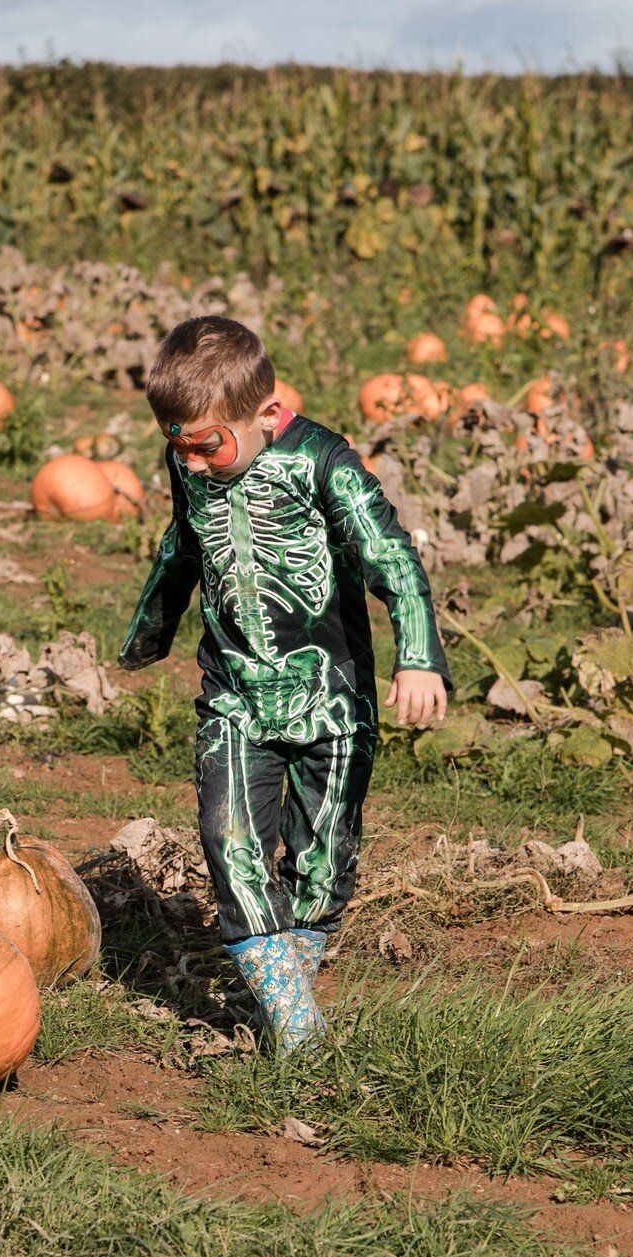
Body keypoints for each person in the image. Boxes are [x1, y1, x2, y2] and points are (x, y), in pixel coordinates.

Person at [118, 314, 450, 1052]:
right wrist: (150, 630)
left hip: (332, 694)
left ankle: (283, 992)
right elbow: (183, 547)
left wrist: (418, 655)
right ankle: (298, 1032)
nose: (194, 461)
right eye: (179, 443)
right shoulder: (188, 462)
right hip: (234, 690)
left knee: (323, 856)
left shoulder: (324, 461)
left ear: (267, 413)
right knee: (228, 839)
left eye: (209, 443)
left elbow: (392, 559)